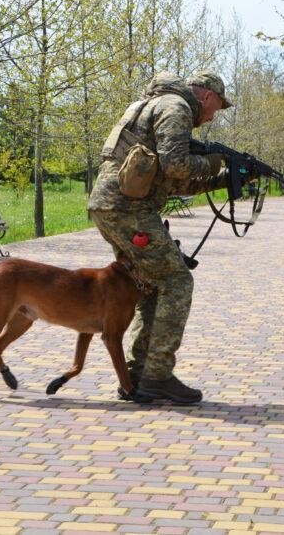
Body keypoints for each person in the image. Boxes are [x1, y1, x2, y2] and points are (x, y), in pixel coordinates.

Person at [88, 69, 235, 404]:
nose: (212, 116)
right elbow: (177, 166)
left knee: (153, 286)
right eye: (216, 107)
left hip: (114, 207)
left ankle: (139, 374)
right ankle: (157, 375)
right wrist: (214, 162)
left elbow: (177, 182)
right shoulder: (177, 108)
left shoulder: (156, 104)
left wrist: (227, 179)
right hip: (128, 211)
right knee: (177, 281)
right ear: (206, 95)